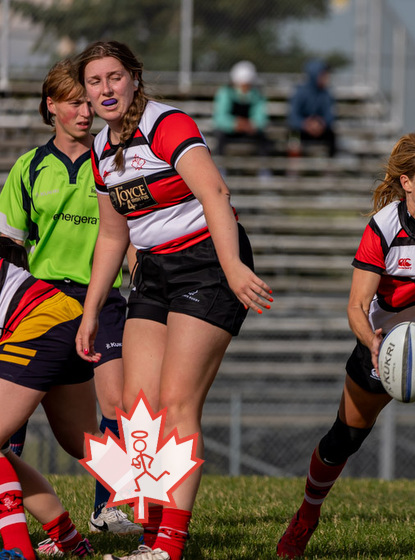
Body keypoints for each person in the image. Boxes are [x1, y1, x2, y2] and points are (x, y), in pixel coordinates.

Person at [74, 41, 272, 560]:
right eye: (95, 82)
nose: (105, 89)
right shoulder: (100, 149)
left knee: (178, 402)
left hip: (208, 263)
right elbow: (114, 237)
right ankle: (150, 539)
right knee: (141, 412)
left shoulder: (167, 124)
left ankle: (170, 546)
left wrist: (232, 269)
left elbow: (215, 195)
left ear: (134, 78)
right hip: (153, 270)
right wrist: (92, 310)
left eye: (114, 77)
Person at [275, 132, 415, 560]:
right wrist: (372, 342)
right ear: (406, 182)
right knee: (345, 437)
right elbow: (357, 305)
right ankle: (306, 516)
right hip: (386, 335)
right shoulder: (381, 228)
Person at [0, 57, 141, 538]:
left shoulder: (117, 161)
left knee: (117, 404)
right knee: (20, 416)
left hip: (103, 302)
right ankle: (12, 510)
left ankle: (113, 509)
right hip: (40, 303)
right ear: (52, 107)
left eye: (89, 101)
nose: (86, 110)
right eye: (75, 102)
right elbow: (8, 248)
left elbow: (133, 238)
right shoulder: (30, 167)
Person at [0, 237, 95, 559]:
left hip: (37, 321)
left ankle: (17, 550)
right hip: (62, 310)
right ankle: (165, 523)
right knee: (85, 442)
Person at [212, 60, 272, 161]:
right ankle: (220, 166)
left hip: (249, 131)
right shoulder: (225, 93)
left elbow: (261, 117)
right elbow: (220, 118)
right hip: (229, 131)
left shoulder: (256, 95)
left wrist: (252, 125)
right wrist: (235, 124)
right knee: (219, 135)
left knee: (263, 139)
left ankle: (264, 169)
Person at [287, 59, 337, 158]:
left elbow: (330, 116)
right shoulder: (300, 92)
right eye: (323, 74)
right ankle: (293, 170)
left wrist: (321, 124)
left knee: (332, 136)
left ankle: (329, 169)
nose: (326, 77)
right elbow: (293, 116)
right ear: (314, 74)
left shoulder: (326, 93)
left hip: (321, 130)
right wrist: (305, 124)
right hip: (302, 131)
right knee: (293, 136)